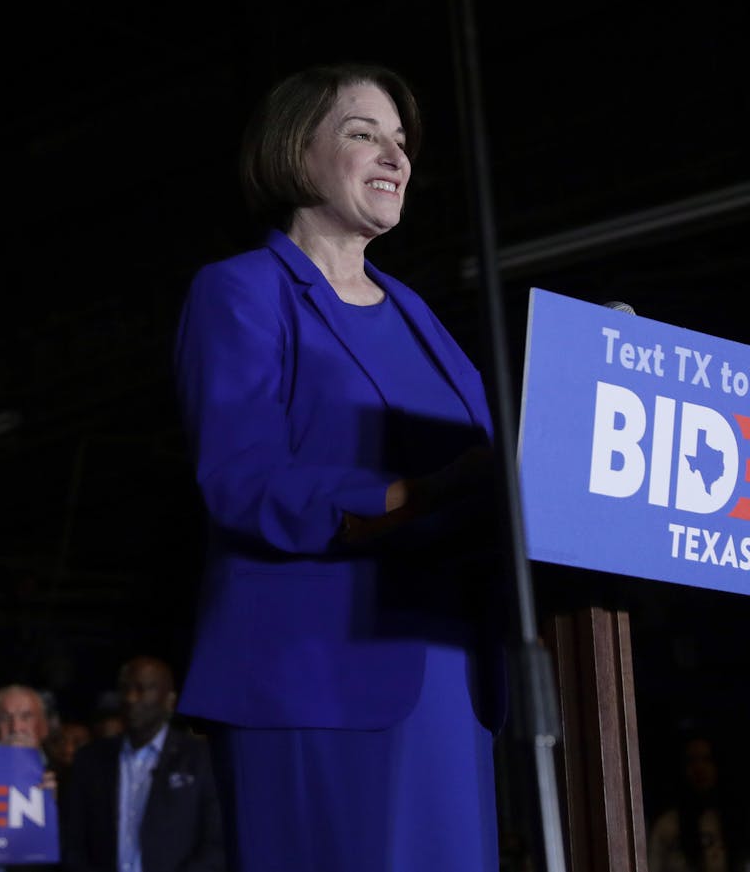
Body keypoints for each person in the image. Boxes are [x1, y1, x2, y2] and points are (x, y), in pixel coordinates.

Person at [173, 63, 503, 871]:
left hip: (449, 686)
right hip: (311, 678)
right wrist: (412, 495)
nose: (395, 156)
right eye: (364, 134)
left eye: (401, 142)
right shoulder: (243, 291)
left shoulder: (421, 315)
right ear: (295, 150)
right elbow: (243, 478)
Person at [59, 657, 224, 872]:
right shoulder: (90, 760)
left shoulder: (200, 758)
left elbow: (215, 845)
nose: (130, 698)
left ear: (169, 700)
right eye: (124, 689)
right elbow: (73, 843)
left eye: (142, 689)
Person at [647, 730, 749, 872]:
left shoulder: (736, 821)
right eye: (691, 761)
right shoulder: (666, 826)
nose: (699, 768)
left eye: (706, 759)